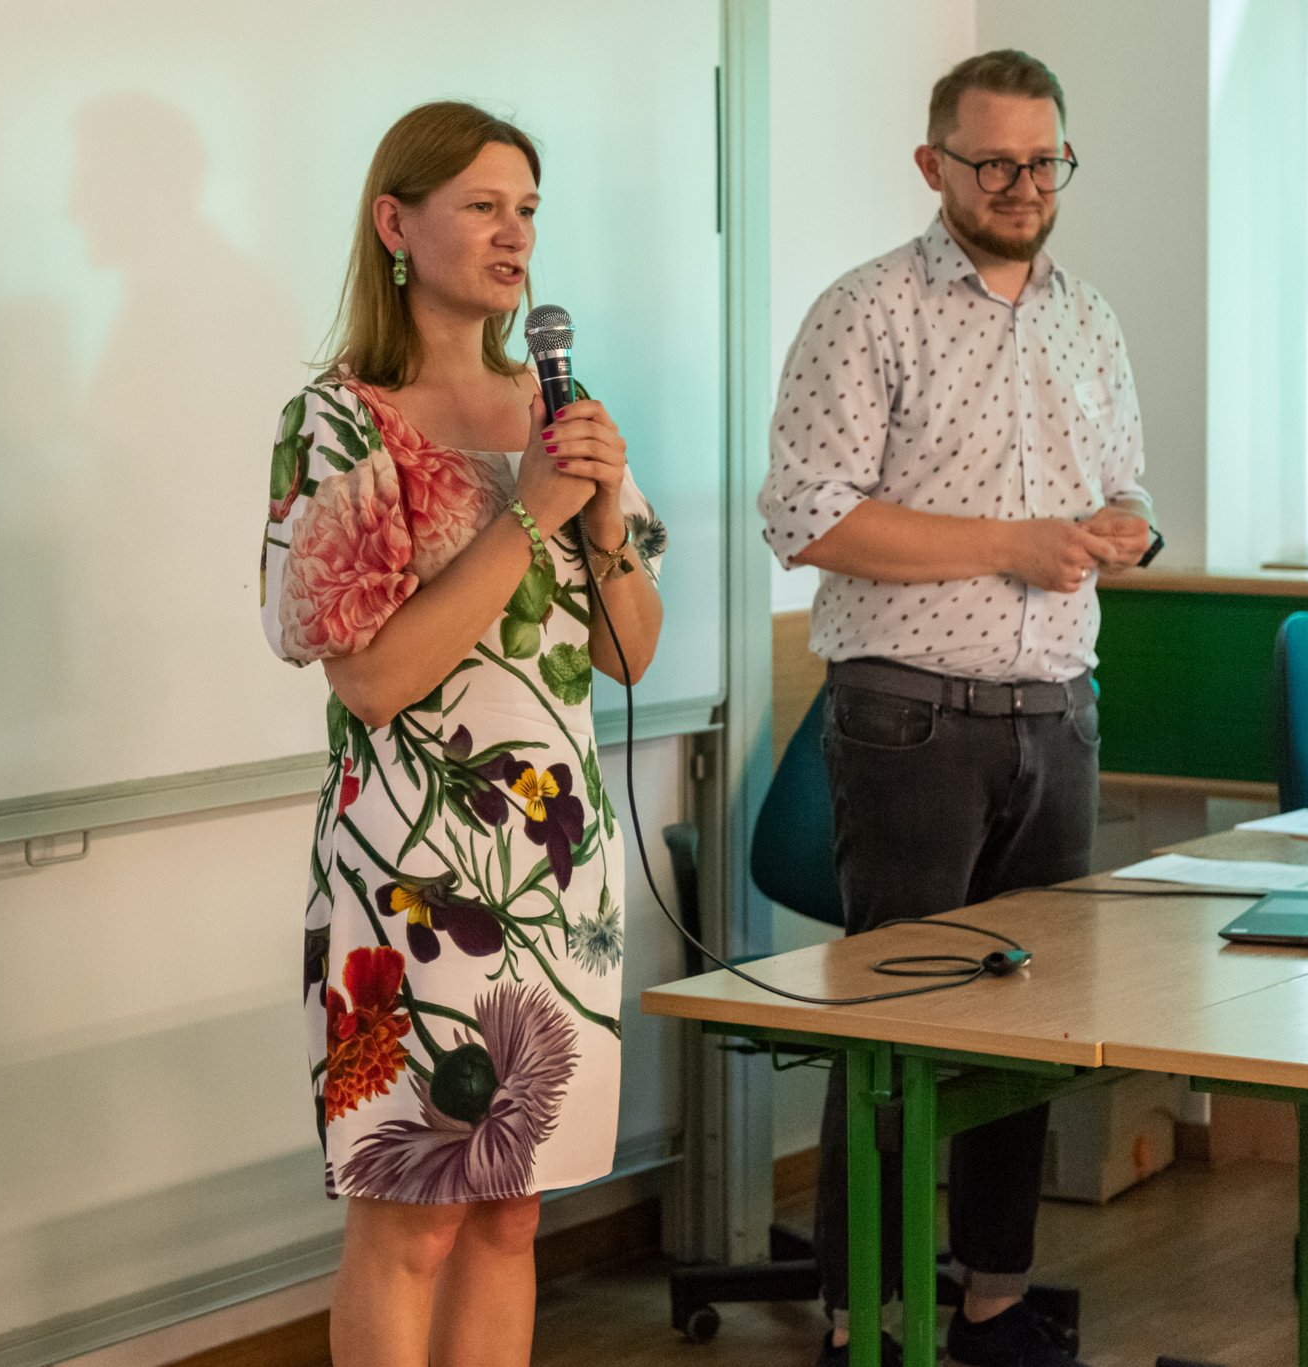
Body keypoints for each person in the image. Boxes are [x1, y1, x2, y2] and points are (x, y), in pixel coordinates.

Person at [757, 50, 1154, 1367]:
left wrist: (1128, 527)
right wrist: (1011, 543)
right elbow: (808, 518)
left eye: (1046, 162)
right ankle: (859, 1317)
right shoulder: (867, 310)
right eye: (994, 164)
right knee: (897, 1028)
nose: (1024, 186)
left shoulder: (1088, 317)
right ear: (933, 165)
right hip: (909, 717)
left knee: (1022, 1025)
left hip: (1060, 711)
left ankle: (991, 1299)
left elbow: (1127, 485)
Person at [258, 101, 665, 1367]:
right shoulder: (338, 422)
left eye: (527, 209)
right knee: (414, 1212)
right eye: (482, 206)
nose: (514, 235)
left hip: (555, 865)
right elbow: (375, 678)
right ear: (396, 224)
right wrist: (528, 515)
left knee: (509, 1211)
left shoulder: (558, 406)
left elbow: (629, 651)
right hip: (413, 875)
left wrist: (601, 523)